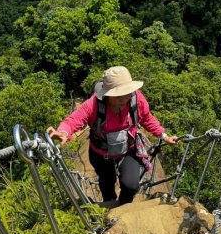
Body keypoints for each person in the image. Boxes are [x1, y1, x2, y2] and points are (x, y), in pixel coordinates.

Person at [47, 66, 178, 205]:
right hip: (100, 152)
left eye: (127, 92)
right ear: (108, 93)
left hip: (128, 149)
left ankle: (123, 207)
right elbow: (74, 120)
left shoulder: (136, 98)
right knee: (107, 182)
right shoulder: (94, 104)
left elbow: (147, 118)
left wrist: (164, 136)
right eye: (119, 94)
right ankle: (109, 205)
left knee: (131, 186)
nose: (125, 97)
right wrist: (63, 132)